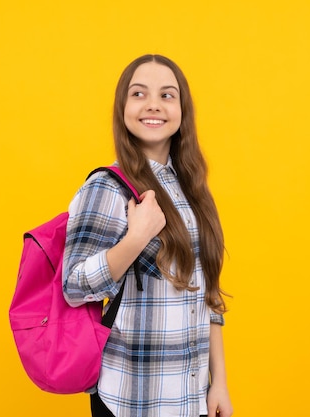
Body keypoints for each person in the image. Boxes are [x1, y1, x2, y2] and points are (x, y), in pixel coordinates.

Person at [63, 54, 233, 417]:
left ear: (183, 110)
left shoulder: (193, 190)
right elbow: (72, 286)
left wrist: (218, 383)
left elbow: (208, 295)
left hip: (191, 399)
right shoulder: (107, 187)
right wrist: (135, 239)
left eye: (167, 95)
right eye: (139, 94)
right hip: (132, 398)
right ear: (122, 107)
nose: (153, 105)